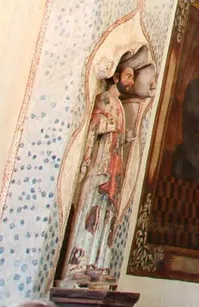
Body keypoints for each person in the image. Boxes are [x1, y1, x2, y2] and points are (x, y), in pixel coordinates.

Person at [60, 61, 135, 284]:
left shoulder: (120, 105)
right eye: (128, 76)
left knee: (105, 213)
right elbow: (95, 124)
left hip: (113, 163)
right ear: (115, 77)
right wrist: (108, 126)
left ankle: (96, 264)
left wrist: (124, 138)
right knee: (91, 206)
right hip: (100, 164)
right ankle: (78, 263)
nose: (131, 82)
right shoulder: (104, 99)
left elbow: (116, 135)